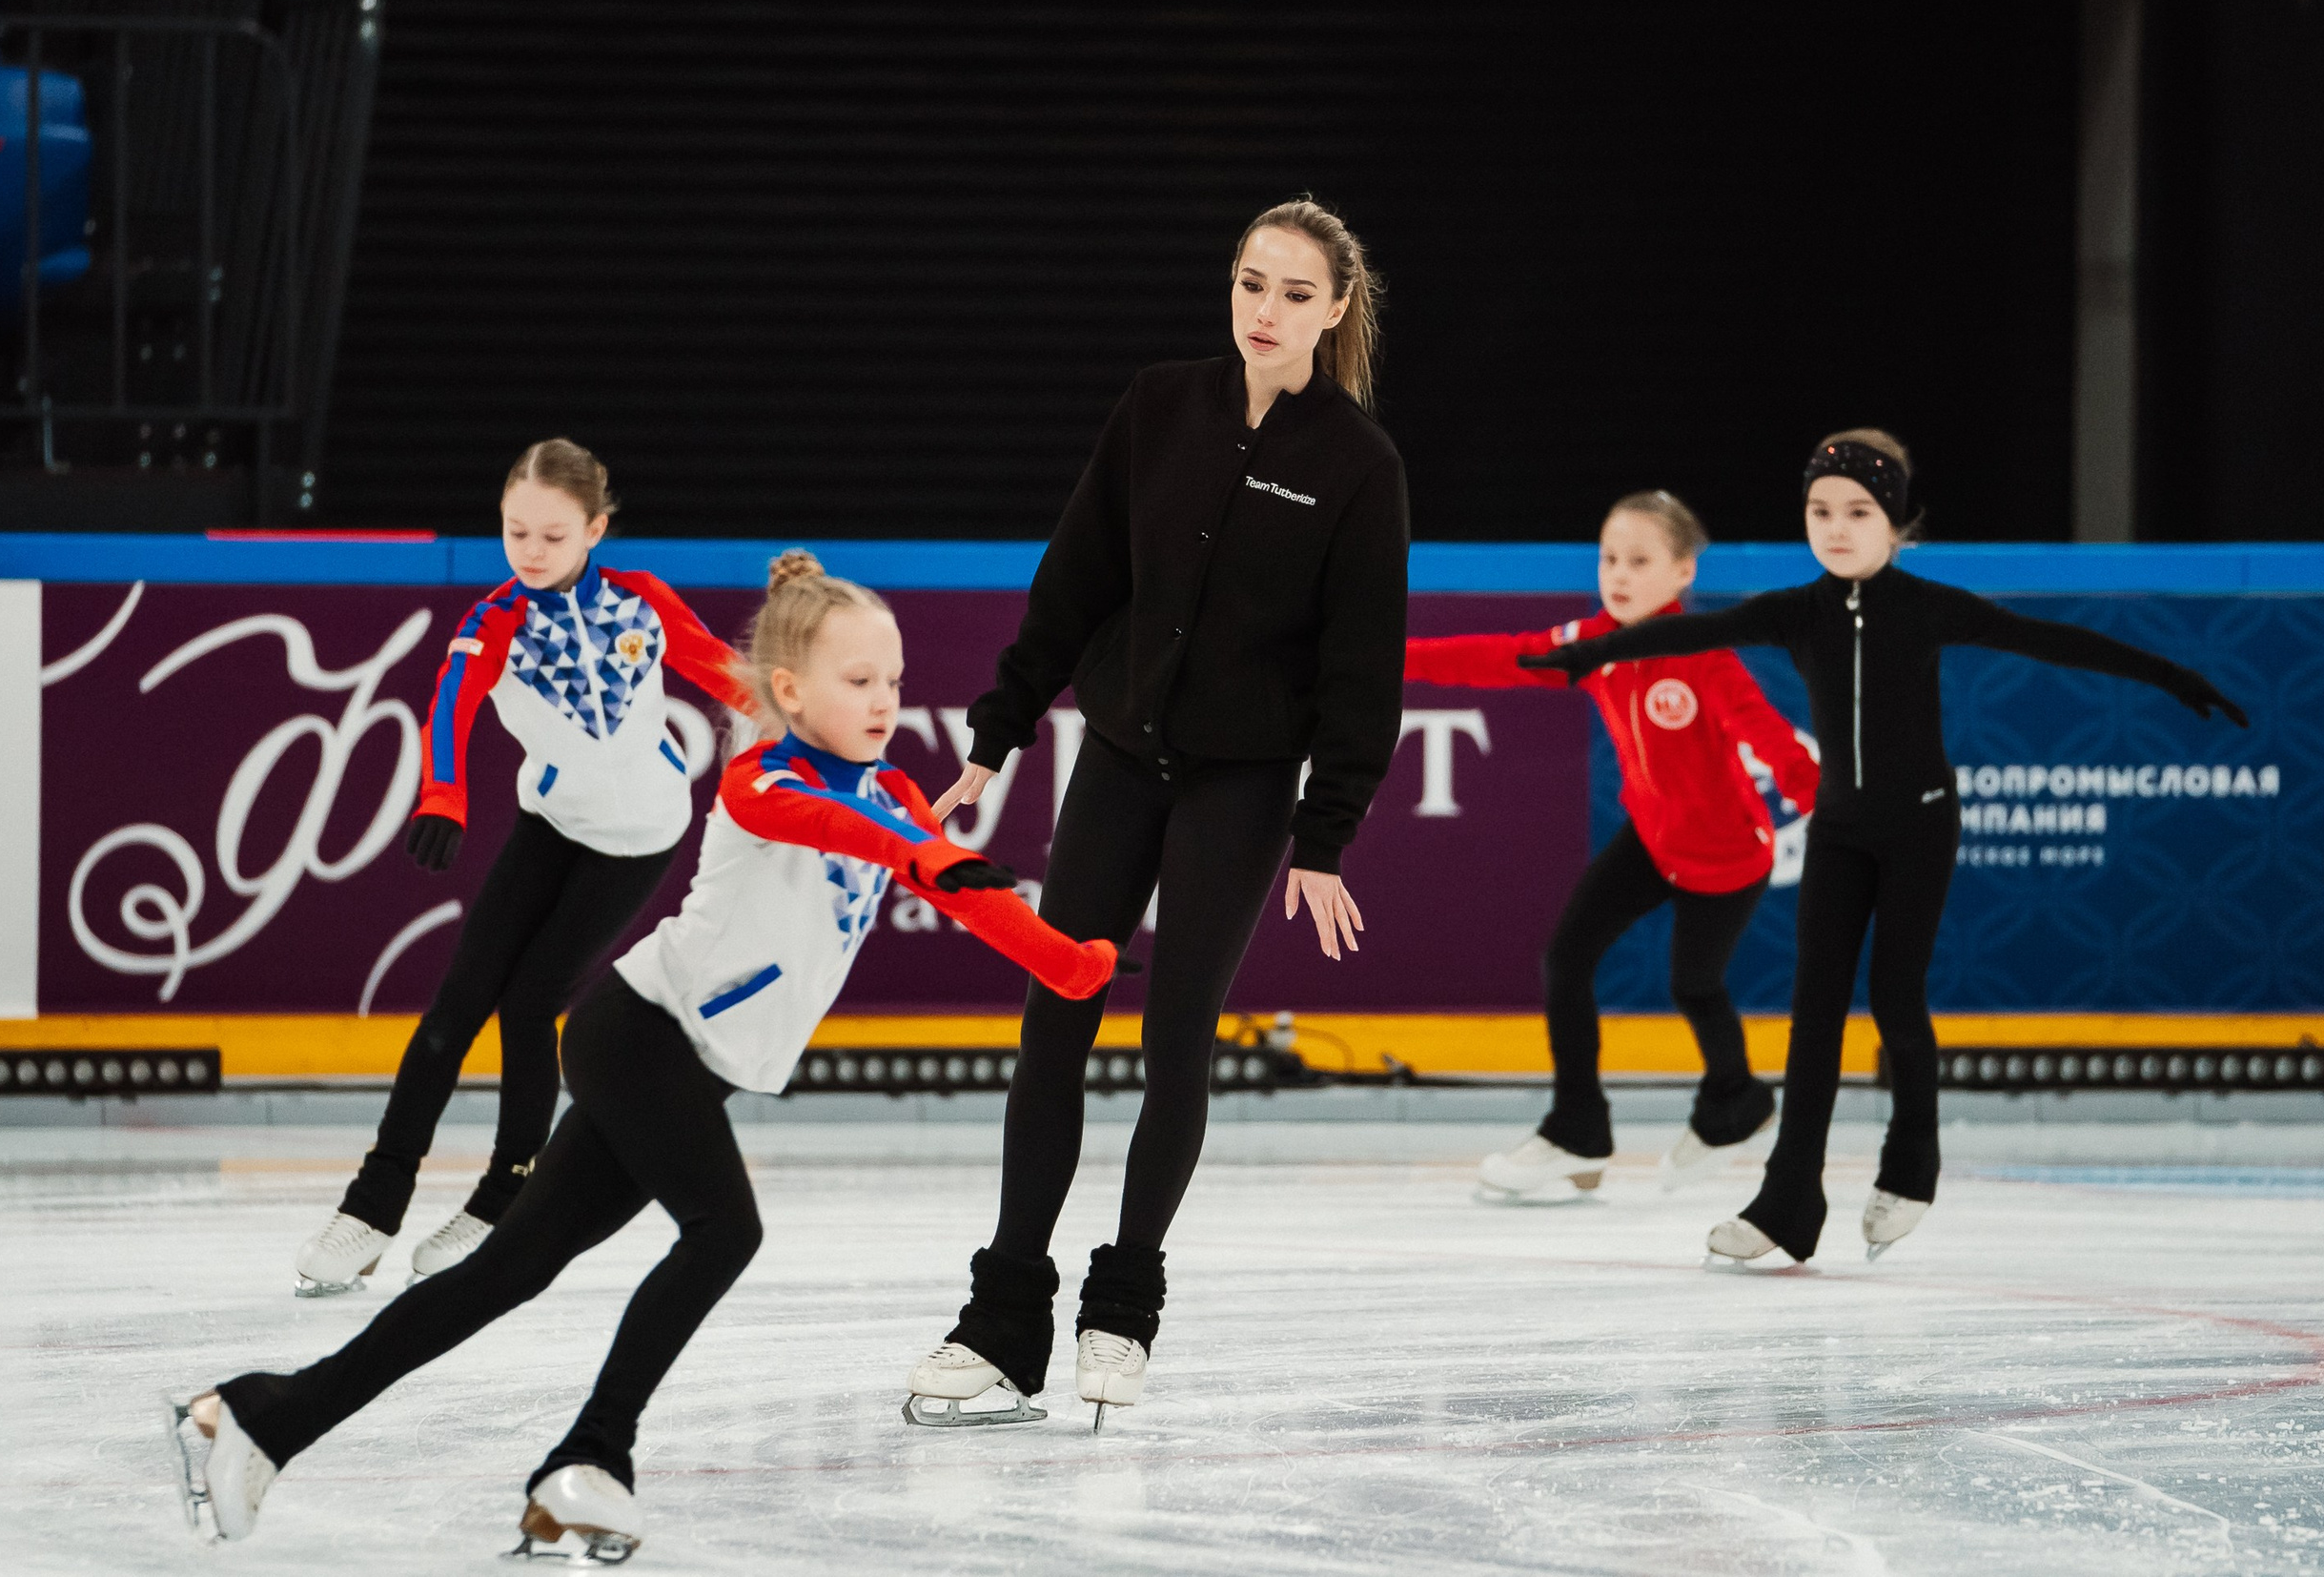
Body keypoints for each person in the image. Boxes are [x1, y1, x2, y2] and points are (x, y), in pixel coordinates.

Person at [167, 552, 1123, 1561]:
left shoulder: (892, 794)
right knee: (723, 1233)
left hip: (676, 1062)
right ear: (789, 691)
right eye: (859, 682)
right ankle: (593, 1457)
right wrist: (926, 851)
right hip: (637, 1038)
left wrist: (1069, 965)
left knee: (506, 1272)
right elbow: (862, 836)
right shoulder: (766, 777)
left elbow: (955, 888)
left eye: (893, 680)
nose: (886, 699)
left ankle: (264, 1418)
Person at [903, 196, 1410, 1432]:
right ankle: (1003, 1317)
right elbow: (1076, 575)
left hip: (1239, 786)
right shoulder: (1158, 405)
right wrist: (1000, 731)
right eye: (1251, 284)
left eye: (1295, 293)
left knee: (1177, 1039)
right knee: (1055, 1023)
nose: (1267, 311)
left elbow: (1362, 670)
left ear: (1335, 310)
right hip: (1121, 760)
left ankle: (1123, 1309)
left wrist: (1325, 832)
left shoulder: (1357, 464)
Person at [1522, 430, 2247, 1264]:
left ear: (1894, 522)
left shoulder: (1928, 605)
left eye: (1857, 512)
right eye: (1820, 510)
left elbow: (2051, 641)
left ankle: (1911, 1163)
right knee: (1814, 1015)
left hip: (1920, 826)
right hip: (1838, 830)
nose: (1836, 527)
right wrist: (1585, 652)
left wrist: (2174, 676)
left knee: (1896, 1000)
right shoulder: (1794, 610)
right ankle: (1790, 1200)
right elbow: (1680, 635)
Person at [293, 439, 755, 1297]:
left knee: (532, 1000)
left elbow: (724, 675)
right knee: (458, 1001)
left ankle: (504, 1195)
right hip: (553, 821)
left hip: (643, 833)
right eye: (515, 534)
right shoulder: (494, 620)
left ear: (595, 529)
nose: (531, 552)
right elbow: (449, 705)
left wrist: (799, 716)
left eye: (551, 535)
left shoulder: (644, 603)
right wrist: (443, 795)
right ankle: (372, 1203)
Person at [1406, 490, 1818, 1199]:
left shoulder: (1705, 656)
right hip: (1655, 840)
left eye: (1638, 560)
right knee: (1567, 959)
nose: (1618, 574)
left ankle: (1738, 1103)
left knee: (1695, 985)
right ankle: (1578, 1130)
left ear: (1683, 572)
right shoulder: (1593, 644)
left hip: (1727, 856)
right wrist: (1394, 658)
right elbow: (1499, 657)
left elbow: (1777, 745)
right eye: (1608, 558)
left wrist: (1836, 818)